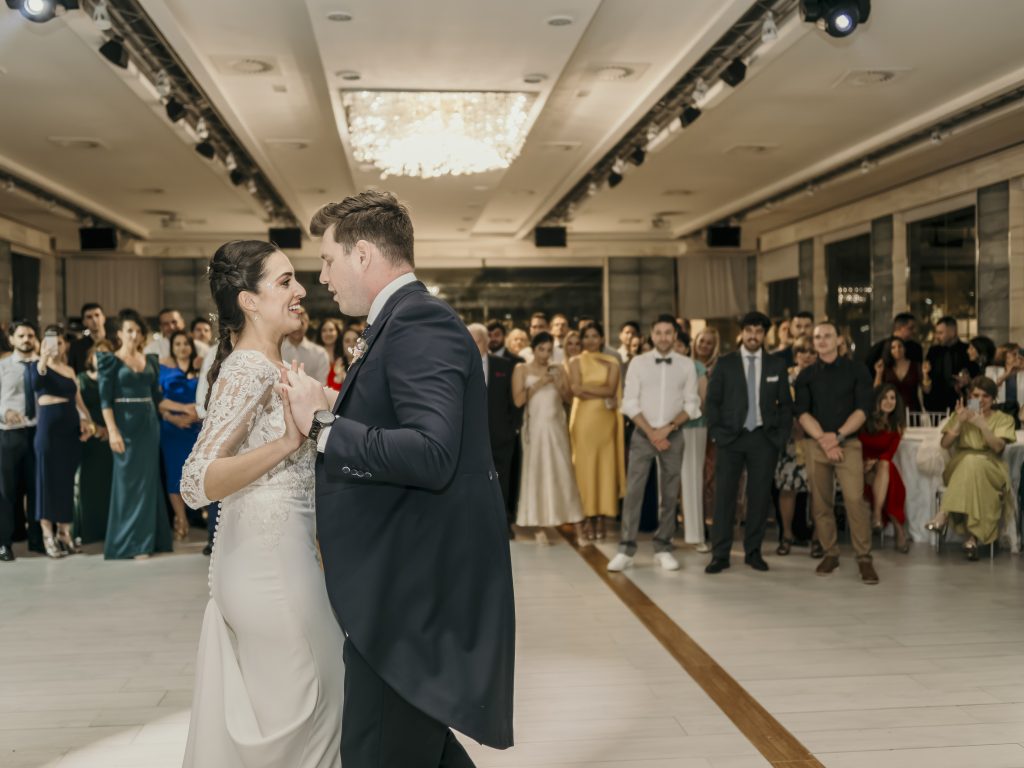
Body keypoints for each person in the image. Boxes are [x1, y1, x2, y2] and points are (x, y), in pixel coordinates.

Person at [284, 191, 515, 765]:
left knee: (378, 751)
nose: (322, 277)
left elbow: (432, 451)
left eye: (327, 261)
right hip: (401, 586)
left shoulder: (419, 322)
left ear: (362, 254)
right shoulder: (399, 321)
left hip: (410, 598)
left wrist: (323, 424)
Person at [179, 240, 345, 767]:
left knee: (310, 707)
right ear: (248, 301)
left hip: (286, 560)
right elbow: (196, 480)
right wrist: (286, 444)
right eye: (285, 281)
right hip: (270, 571)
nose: (301, 291)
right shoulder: (248, 370)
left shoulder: (279, 366)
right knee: (315, 703)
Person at [608, 315, 701, 572]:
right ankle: (626, 549)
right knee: (634, 492)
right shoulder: (638, 363)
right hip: (642, 433)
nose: (663, 337)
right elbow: (629, 402)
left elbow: (692, 405)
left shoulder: (686, 365)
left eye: (668, 332)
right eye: (658, 332)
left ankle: (663, 546)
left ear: (675, 335)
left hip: (673, 433)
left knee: (670, 493)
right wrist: (651, 432)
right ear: (652, 334)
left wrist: (668, 429)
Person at [705, 312, 793, 574]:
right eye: (749, 330)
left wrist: (780, 436)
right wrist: (718, 433)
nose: (753, 335)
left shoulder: (776, 365)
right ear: (741, 332)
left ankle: (753, 552)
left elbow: (786, 405)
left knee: (758, 497)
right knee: (725, 498)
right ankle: (720, 554)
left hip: (763, 439)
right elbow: (712, 401)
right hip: (731, 437)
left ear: (765, 334)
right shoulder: (725, 363)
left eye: (758, 331)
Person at [795, 322, 878, 584]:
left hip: (848, 442)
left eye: (827, 336)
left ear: (838, 340)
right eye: (817, 337)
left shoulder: (857, 370)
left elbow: (863, 409)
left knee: (855, 500)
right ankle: (830, 552)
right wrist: (823, 439)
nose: (821, 341)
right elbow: (801, 413)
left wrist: (838, 437)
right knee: (821, 503)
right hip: (815, 444)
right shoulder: (805, 375)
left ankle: (864, 558)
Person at [98, 309, 173, 560]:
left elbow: (158, 399)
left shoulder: (151, 360)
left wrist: (185, 410)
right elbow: (105, 402)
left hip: (149, 425)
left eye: (137, 330)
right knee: (126, 484)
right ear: (119, 334)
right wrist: (112, 432)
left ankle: (147, 541)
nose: (134, 334)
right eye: (129, 330)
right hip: (124, 426)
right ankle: (127, 543)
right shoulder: (109, 360)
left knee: (148, 482)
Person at [928, 376, 1017, 560]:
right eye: (977, 395)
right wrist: (960, 421)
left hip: (991, 466)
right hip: (959, 465)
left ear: (993, 399)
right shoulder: (960, 415)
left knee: (974, 463)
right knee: (970, 462)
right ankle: (972, 537)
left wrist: (982, 425)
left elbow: (998, 448)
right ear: (970, 397)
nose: (982, 400)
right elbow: (945, 444)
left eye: (986, 396)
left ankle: (943, 514)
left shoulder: (1004, 419)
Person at [25, 326, 92, 558]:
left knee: (66, 481)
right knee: (46, 481)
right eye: (50, 341)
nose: (56, 346)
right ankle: (47, 535)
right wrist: (43, 357)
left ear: (65, 345)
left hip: (70, 431)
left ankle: (64, 532)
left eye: (60, 342)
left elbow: (78, 399)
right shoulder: (37, 367)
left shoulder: (70, 369)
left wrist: (88, 420)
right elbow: (35, 384)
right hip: (48, 432)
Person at [512, 331, 584, 544]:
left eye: (549, 350)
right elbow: (517, 401)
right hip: (534, 429)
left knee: (563, 472)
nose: (545, 354)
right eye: (541, 349)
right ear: (533, 349)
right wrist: (539, 383)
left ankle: (576, 525)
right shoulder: (522, 369)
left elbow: (569, 398)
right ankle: (539, 526)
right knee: (537, 474)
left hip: (556, 428)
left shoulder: (559, 369)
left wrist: (560, 383)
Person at [569, 321, 626, 542]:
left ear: (602, 339)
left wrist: (587, 389)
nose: (590, 340)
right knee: (584, 469)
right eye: (587, 336)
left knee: (605, 467)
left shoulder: (612, 361)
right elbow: (576, 390)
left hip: (606, 420)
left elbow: (611, 389)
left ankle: (602, 517)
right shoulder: (575, 361)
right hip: (583, 420)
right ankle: (586, 518)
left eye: (595, 336)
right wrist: (599, 392)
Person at [468, 323, 522, 536]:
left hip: (501, 435)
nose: (472, 344)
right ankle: (475, 521)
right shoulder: (460, 364)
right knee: (473, 480)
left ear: (486, 341)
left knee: (502, 479)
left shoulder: (504, 365)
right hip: (470, 437)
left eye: (477, 340)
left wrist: (513, 427)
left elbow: (513, 399)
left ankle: (503, 522)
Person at [0, 320, 42, 561]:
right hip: (9, 434)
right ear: (12, 339)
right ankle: (4, 543)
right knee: (6, 492)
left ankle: (37, 540)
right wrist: (4, 413)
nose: (26, 339)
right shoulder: (3, 367)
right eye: (22, 336)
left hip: (37, 433)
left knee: (37, 488)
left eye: (30, 335)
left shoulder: (43, 366)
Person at [774, 335, 817, 556]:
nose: (807, 356)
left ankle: (819, 538)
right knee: (787, 489)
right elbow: (777, 404)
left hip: (817, 439)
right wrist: (791, 424)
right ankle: (787, 535)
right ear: (796, 355)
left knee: (817, 490)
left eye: (811, 352)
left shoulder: (822, 376)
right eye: (803, 351)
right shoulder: (786, 377)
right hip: (791, 440)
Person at [159, 330, 203, 541]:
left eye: (185, 343)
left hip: (196, 430)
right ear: (172, 347)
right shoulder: (163, 368)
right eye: (177, 344)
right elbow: (157, 399)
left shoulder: (201, 368)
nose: (182, 347)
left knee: (197, 473)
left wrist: (197, 413)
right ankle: (181, 518)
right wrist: (174, 415)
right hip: (172, 429)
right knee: (174, 473)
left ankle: (201, 515)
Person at [859, 384, 909, 552]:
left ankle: (877, 515)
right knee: (889, 475)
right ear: (877, 400)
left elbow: (889, 453)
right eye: (885, 398)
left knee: (886, 466)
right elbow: (856, 443)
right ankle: (899, 530)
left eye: (892, 398)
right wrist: (863, 463)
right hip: (861, 468)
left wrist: (877, 461)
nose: (889, 402)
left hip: (881, 467)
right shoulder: (865, 419)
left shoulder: (897, 425)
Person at [75, 341, 114, 545]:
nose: (101, 357)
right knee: (89, 486)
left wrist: (111, 430)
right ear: (90, 357)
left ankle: (109, 529)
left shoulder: (116, 380)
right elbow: (78, 409)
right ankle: (89, 530)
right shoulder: (81, 379)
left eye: (107, 354)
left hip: (112, 440)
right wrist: (96, 428)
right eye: (98, 354)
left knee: (109, 485)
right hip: (91, 439)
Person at [680, 333, 710, 553]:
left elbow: (702, 399)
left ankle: (696, 535)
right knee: (666, 483)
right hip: (663, 430)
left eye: (681, 345)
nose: (677, 349)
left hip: (693, 426)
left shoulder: (696, 367)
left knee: (692, 479)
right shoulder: (657, 367)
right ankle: (664, 535)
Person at [922, 316, 970, 413]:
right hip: (935, 404)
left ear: (953, 332)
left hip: (961, 403)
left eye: (940, 333)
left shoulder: (967, 350)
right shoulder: (933, 351)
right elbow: (928, 375)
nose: (937, 336)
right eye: (936, 332)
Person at [280, 306, 330, 384]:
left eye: (301, 323)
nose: (297, 327)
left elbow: (322, 385)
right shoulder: (276, 350)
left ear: (307, 324)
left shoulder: (320, 353)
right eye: (293, 322)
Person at [873, 336, 923, 412]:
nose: (897, 350)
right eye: (893, 347)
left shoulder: (915, 366)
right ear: (889, 351)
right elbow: (877, 390)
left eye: (900, 346)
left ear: (904, 348)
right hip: (892, 411)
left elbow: (926, 389)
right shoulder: (886, 368)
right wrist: (879, 372)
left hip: (913, 410)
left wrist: (925, 374)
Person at [68, 302, 109, 374]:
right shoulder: (76, 347)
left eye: (97, 315)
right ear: (84, 322)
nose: (94, 320)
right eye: (89, 317)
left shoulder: (115, 343)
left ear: (104, 318)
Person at [986, 343, 1023, 412]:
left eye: (1019, 354)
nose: (1018, 357)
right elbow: (989, 389)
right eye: (1014, 354)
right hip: (999, 408)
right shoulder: (991, 370)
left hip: (1019, 409)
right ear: (1004, 356)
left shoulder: (1022, 372)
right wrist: (1007, 373)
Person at [318, 317, 347, 391]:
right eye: (324, 330)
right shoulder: (315, 355)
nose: (328, 333)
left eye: (331, 330)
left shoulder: (344, 356)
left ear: (337, 332)